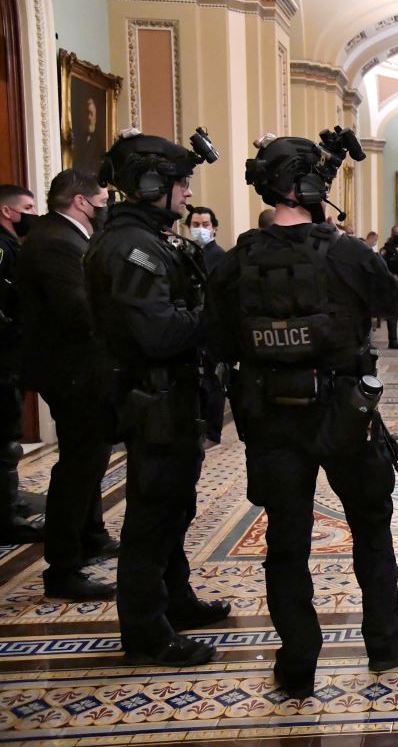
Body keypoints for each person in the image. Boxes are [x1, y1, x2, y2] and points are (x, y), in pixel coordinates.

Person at [208, 130, 398, 699]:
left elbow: (213, 337)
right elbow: (395, 302)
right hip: (343, 413)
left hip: (267, 415)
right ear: (311, 186)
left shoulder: (237, 260)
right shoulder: (346, 252)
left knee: (286, 542)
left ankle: (297, 663)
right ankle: (387, 642)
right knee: (370, 526)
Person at [84, 128, 229, 666]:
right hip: (153, 398)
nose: (188, 194)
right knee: (152, 517)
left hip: (171, 396)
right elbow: (158, 332)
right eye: (181, 183)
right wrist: (213, 320)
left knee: (175, 507)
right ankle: (146, 632)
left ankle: (177, 602)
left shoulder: (150, 240)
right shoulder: (131, 249)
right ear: (150, 185)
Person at [18, 169, 118, 600]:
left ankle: (91, 535)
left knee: (91, 461)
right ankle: (63, 568)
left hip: (79, 368)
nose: (106, 204)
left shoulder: (61, 235)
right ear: (81, 200)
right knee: (78, 467)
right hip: (73, 371)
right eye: (102, 198)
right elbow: (77, 310)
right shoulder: (56, 241)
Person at [0, 184, 43, 543]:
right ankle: (5, 514)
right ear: (8, 212)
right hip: (3, 356)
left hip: (11, 354)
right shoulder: (3, 249)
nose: (33, 212)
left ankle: (9, 505)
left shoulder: (14, 246)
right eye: (27, 206)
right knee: (5, 439)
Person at [185, 205, 227, 448]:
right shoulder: (186, 254)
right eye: (195, 225)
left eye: (204, 225)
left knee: (213, 382)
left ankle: (212, 431)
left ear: (214, 229)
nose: (200, 229)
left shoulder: (219, 257)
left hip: (211, 328)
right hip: (191, 327)